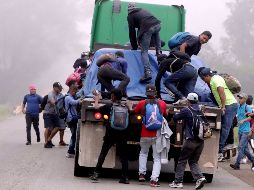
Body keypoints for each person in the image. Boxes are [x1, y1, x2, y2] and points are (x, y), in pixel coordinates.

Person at [128, 84, 167, 187]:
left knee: (143, 153)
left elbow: (133, 112)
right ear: (156, 93)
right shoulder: (162, 104)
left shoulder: (142, 103)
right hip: (157, 135)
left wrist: (129, 106)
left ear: (146, 93)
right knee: (157, 158)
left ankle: (141, 174)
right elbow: (165, 115)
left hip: (144, 134)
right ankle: (154, 180)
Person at [90, 88, 129, 184]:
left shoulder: (109, 106)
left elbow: (96, 108)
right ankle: (125, 177)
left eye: (112, 95)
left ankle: (96, 174)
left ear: (113, 96)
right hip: (122, 134)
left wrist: (96, 100)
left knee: (103, 153)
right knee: (123, 156)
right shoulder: (125, 107)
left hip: (110, 134)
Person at [198, 67, 237, 161]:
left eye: (203, 79)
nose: (203, 81)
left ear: (207, 76)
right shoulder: (213, 79)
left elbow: (222, 94)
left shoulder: (215, 80)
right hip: (228, 104)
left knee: (225, 127)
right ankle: (229, 143)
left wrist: (223, 107)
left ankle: (219, 151)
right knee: (227, 126)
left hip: (229, 104)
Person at [169, 93, 207, 189]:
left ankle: (178, 182)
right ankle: (200, 178)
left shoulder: (187, 110)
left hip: (191, 141)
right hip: (201, 142)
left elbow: (175, 117)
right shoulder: (200, 110)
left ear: (188, 101)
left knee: (182, 161)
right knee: (193, 161)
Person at [127, 3, 161, 83]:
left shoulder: (130, 16)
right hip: (158, 25)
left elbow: (132, 32)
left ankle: (147, 73)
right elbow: (141, 28)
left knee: (144, 51)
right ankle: (159, 54)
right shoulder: (142, 10)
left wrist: (134, 47)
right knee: (155, 32)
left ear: (128, 10)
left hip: (148, 28)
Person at [229, 93, 254, 170]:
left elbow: (251, 117)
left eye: (241, 98)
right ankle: (253, 160)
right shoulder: (238, 106)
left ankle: (237, 164)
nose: (239, 99)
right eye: (239, 98)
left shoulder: (247, 107)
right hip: (240, 130)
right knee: (245, 149)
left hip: (246, 131)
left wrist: (244, 120)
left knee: (240, 147)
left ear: (245, 99)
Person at [65, 85, 83, 158]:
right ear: (72, 91)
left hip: (72, 118)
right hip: (71, 118)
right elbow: (74, 102)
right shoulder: (68, 97)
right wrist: (81, 100)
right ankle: (70, 151)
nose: (75, 93)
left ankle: (71, 150)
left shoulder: (70, 97)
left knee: (74, 135)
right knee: (74, 135)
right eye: (75, 92)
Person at [43, 82, 63, 148]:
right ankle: (46, 143)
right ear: (54, 87)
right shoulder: (50, 94)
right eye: (58, 88)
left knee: (57, 127)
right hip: (47, 113)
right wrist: (57, 100)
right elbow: (53, 102)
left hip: (54, 113)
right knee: (48, 128)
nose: (59, 89)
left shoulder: (57, 94)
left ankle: (48, 140)